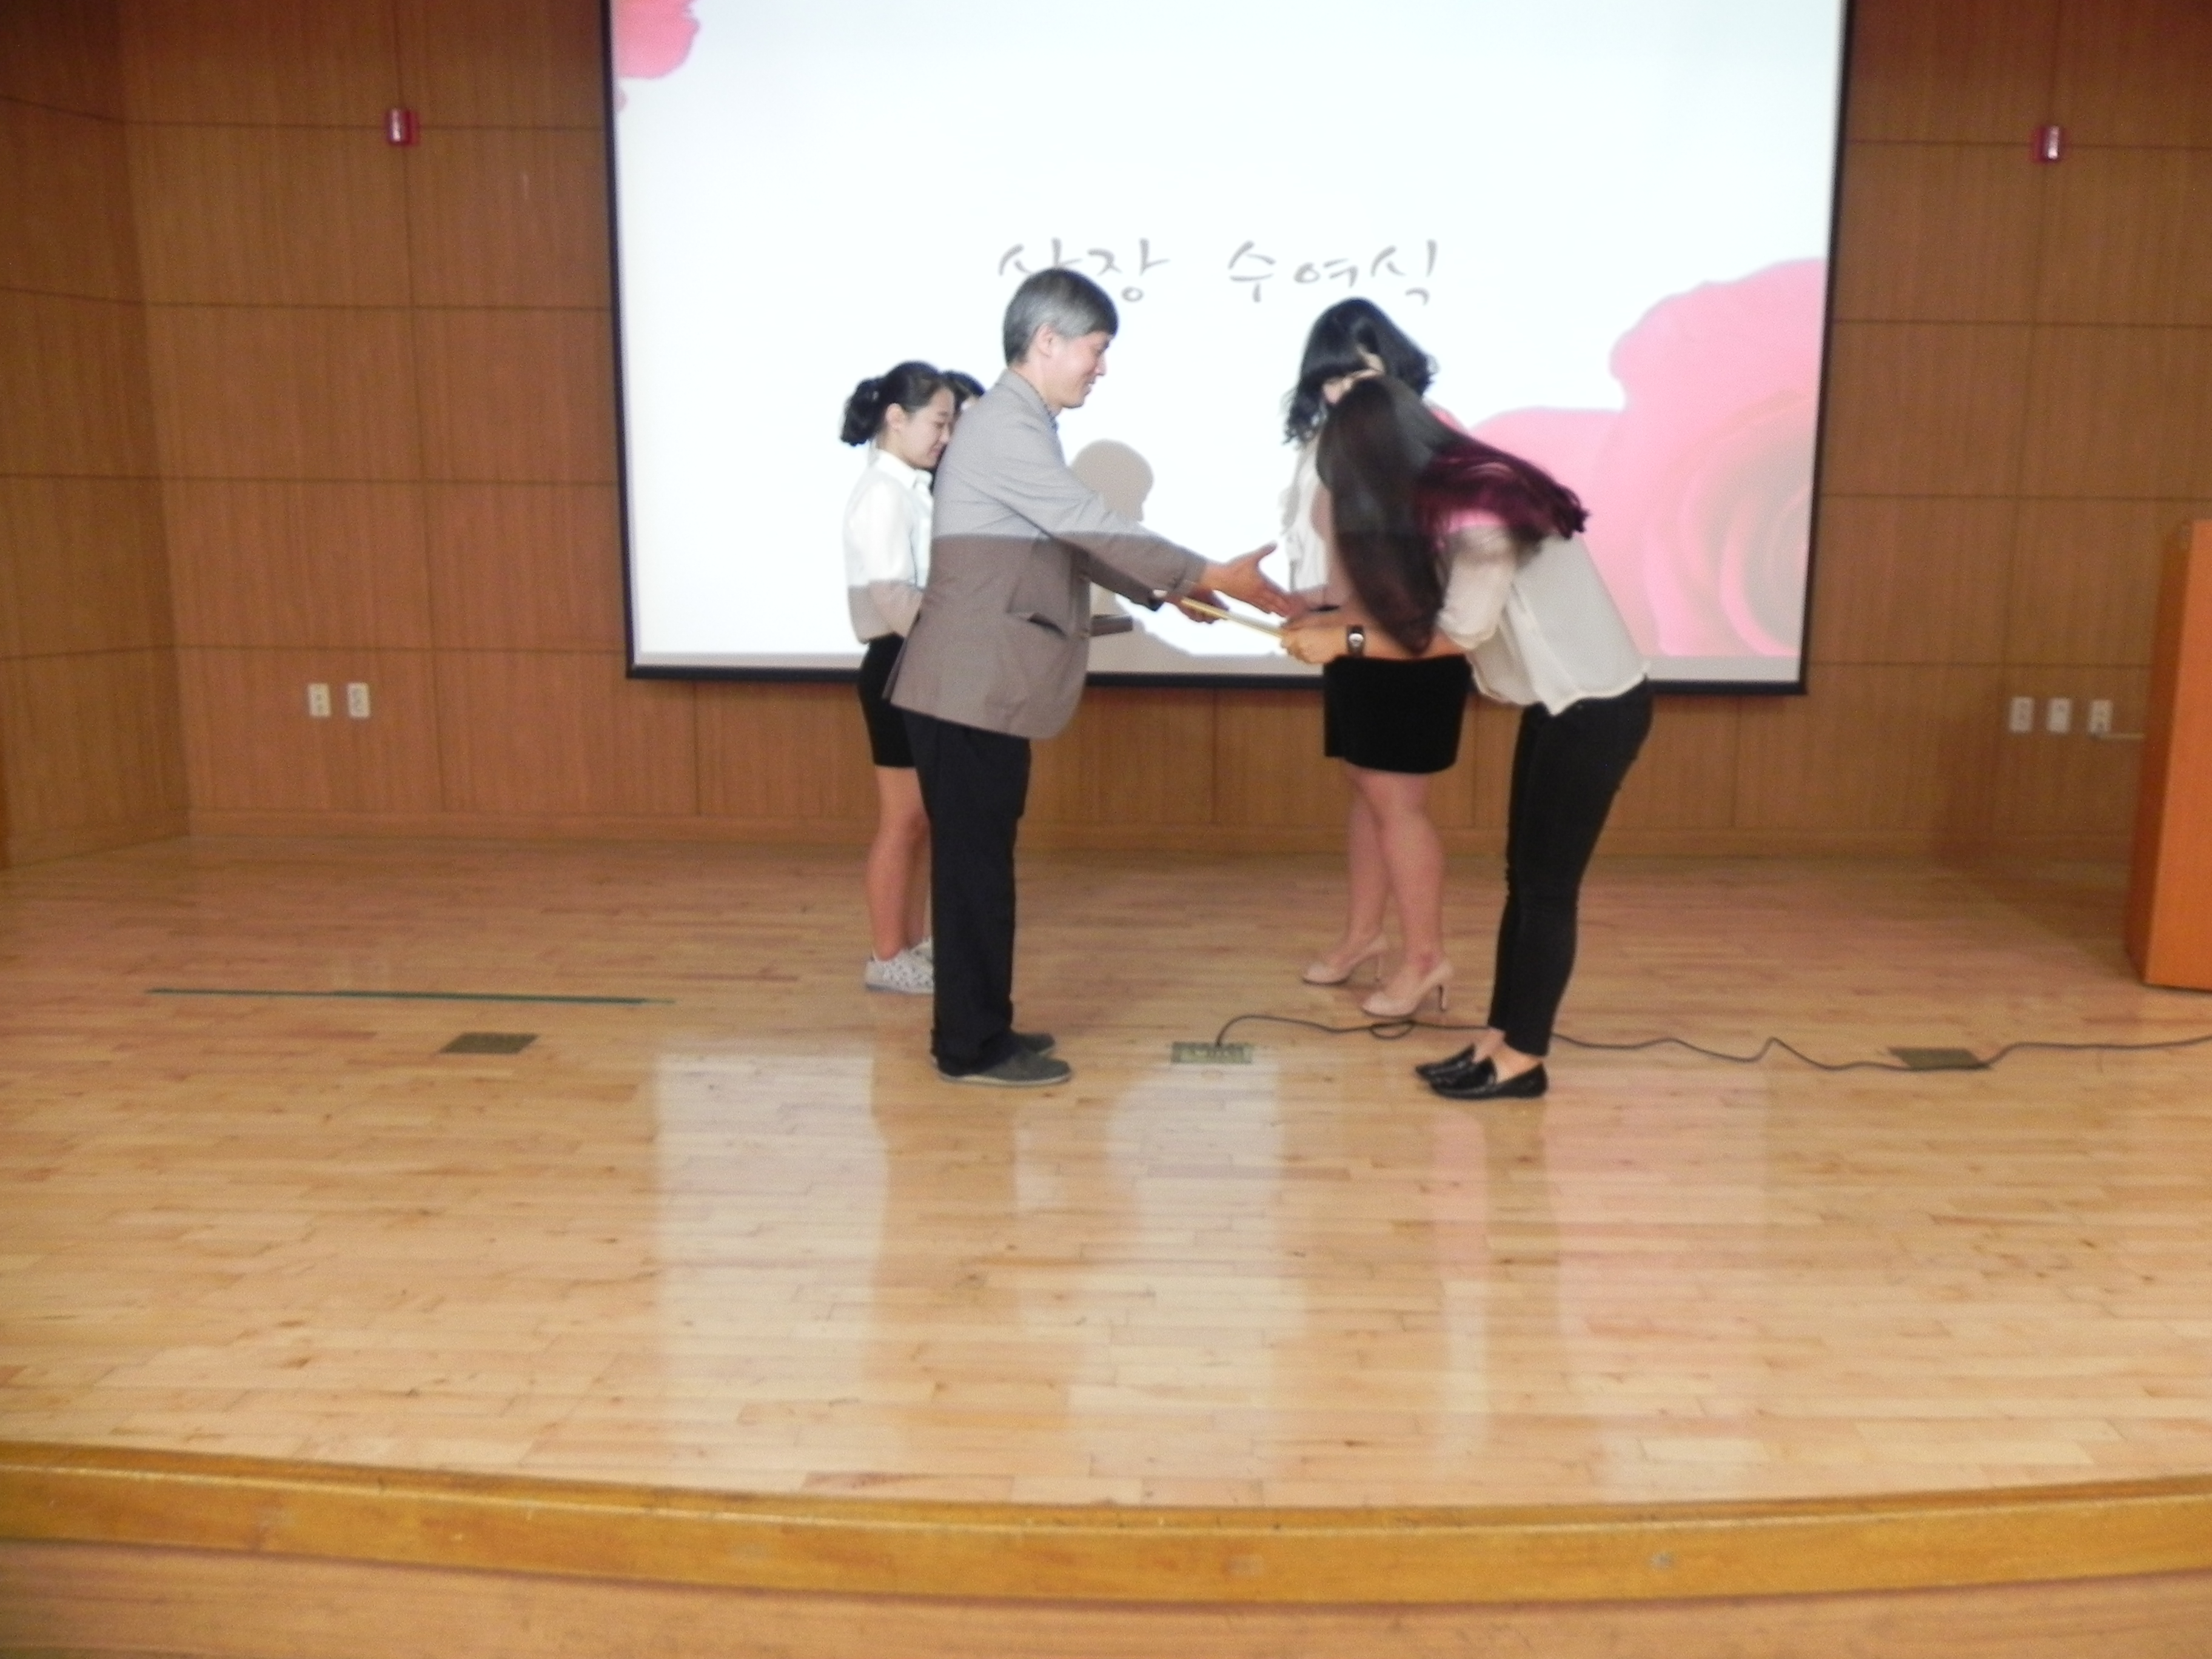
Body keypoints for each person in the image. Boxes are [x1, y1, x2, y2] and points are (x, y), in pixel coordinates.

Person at [890, 268, 1291, 1088]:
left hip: (980, 689)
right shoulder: (1006, 426)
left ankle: (984, 1026)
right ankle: (969, 1048)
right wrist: (1204, 573)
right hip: (968, 689)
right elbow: (1085, 523)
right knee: (974, 877)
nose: (1101, 368)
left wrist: (1172, 592)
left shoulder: (1017, 424)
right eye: (1095, 349)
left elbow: (1063, 546)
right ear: (1048, 341)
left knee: (980, 871)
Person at [1284, 377, 1651, 1100]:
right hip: (1558, 708)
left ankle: (1524, 1059)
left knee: (1547, 890)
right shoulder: (1458, 492)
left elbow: (1457, 634)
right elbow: (1416, 616)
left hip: (1594, 710)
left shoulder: (1481, 515)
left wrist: (1344, 641)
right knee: (1526, 880)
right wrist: (1324, 621)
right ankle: (1500, 1039)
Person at [841, 360, 956, 994]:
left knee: (921, 820)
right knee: (903, 819)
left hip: (919, 660)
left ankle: (912, 945)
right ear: (896, 418)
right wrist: (960, 642)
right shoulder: (884, 493)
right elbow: (893, 598)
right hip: (898, 664)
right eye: (938, 423)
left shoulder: (911, 487)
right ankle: (887, 954)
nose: (945, 437)